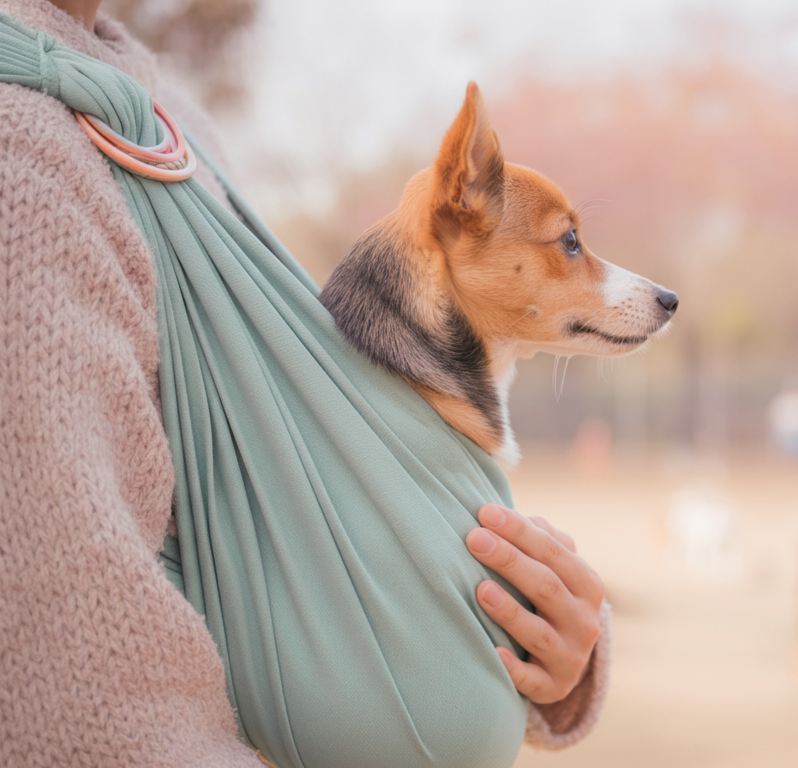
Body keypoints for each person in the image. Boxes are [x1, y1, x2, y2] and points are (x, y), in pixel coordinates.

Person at [0, 1, 607, 765]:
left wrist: (546, 646)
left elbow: (314, 477)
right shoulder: (22, 177)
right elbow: (72, 692)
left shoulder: (170, 120)